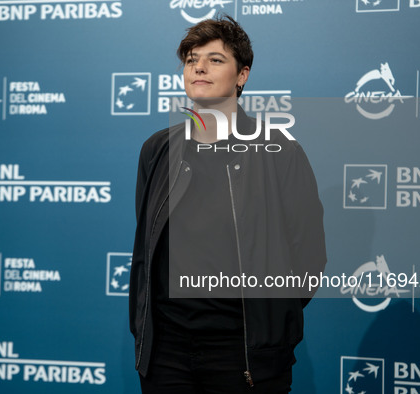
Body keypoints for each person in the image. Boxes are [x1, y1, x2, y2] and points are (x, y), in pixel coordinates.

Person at [129, 15, 326, 393]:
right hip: (165, 353)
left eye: (215, 59)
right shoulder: (157, 150)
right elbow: (147, 249)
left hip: (243, 353)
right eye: (191, 59)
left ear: (242, 75)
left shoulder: (280, 152)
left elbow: (309, 258)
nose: (199, 66)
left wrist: (265, 325)